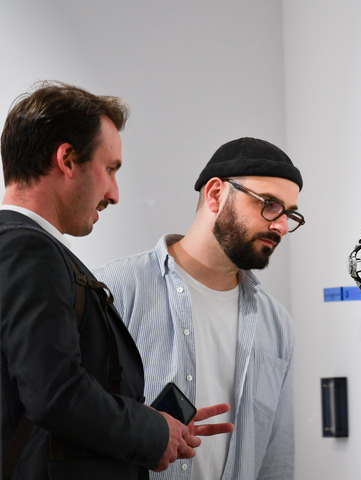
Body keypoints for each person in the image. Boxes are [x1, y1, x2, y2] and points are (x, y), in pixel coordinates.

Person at [0, 81, 231, 480]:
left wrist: (153, 425)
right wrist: (152, 431)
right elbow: (54, 393)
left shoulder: (23, 248)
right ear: (67, 160)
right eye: (109, 169)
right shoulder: (29, 251)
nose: (115, 194)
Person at [94, 137, 303, 479]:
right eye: (269, 204)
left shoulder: (276, 323)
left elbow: (276, 458)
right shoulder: (116, 289)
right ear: (216, 194)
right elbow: (75, 417)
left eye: (289, 214)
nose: (281, 225)